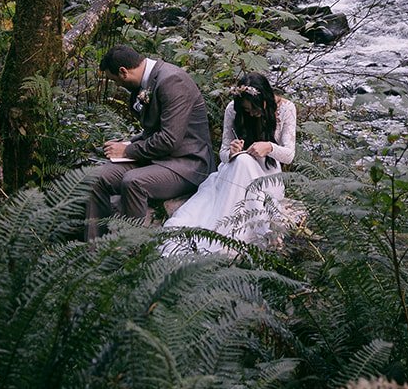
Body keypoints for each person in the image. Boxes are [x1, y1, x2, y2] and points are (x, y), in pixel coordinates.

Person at [87, 43, 215, 238]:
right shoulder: (144, 83)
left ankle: (132, 248)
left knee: (134, 181)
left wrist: (127, 151)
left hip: (186, 164)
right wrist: (128, 144)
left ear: (123, 72)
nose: (117, 86)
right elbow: (152, 132)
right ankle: (93, 252)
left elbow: (169, 140)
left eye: (115, 81)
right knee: (97, 177)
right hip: (158, 159)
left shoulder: (173, 81)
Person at [161, 73, 296, 251]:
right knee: (243, 161)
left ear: (266, 99)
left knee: (244, 162)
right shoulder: (233, 109)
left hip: (267, 174)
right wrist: (232, 152)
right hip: (236, 169)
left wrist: (270, 147)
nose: (253, 114)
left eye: (255, 108)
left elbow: (289, 154)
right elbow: (223, 153)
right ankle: (224, 232)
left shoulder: (286, 108)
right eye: (247, 110)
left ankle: (229, 233)